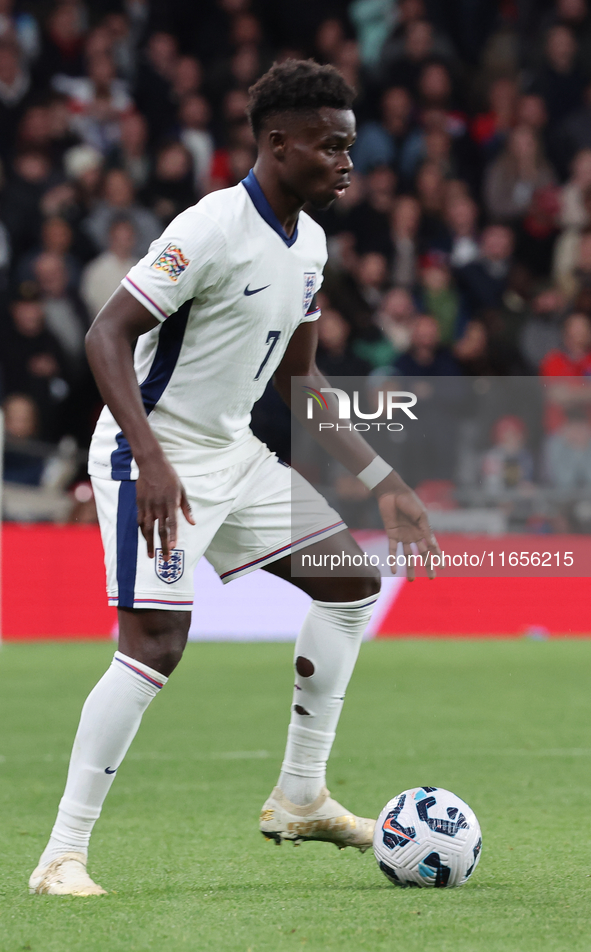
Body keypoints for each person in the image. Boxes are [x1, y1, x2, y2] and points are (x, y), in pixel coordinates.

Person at [29, 59, 439, 897]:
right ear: (278, 144)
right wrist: (147, 458)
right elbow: (107, 336)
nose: (345, 162)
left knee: (350, 582)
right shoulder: (210, 226)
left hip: (236, 456)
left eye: (349, 146)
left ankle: (300, 795)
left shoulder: (311, 244)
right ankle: (60, 857)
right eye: (330, 147)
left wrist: (384, 479)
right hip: (155, 453)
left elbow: (303, 383)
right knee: (154, 646)